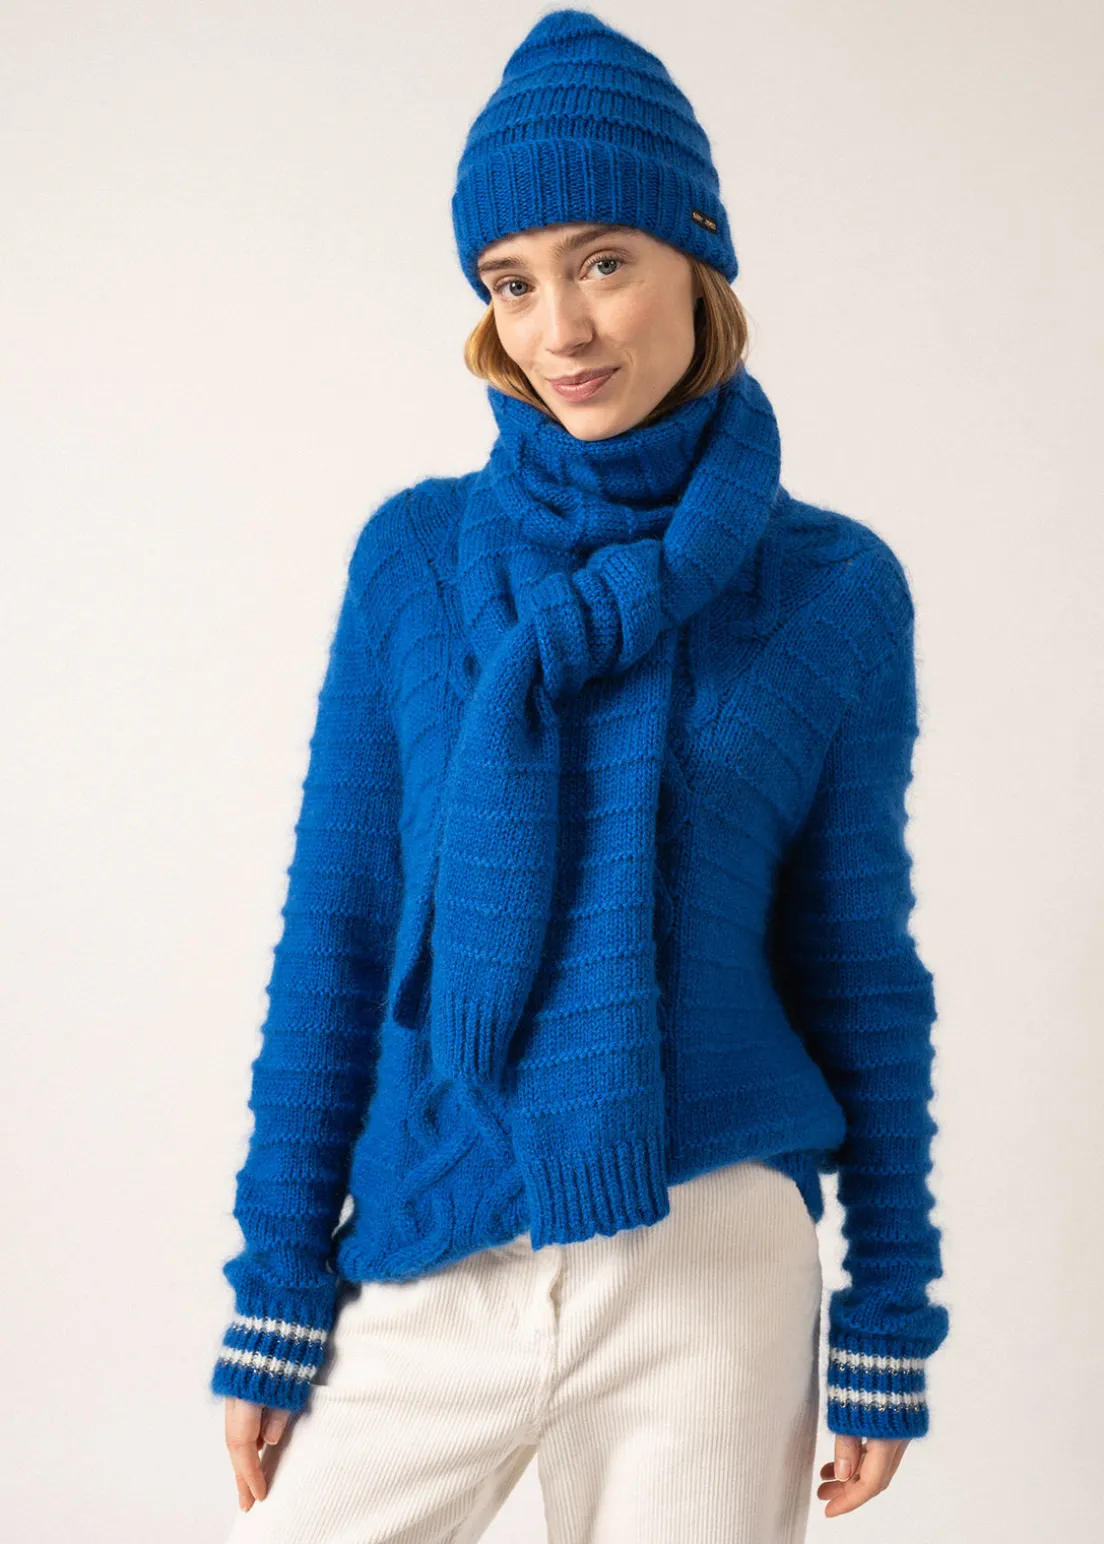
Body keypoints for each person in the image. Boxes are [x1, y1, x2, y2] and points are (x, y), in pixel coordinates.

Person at [209, 9, 950, 1540]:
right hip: (436, 1228)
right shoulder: (416, 562)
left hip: (707, 1264)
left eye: (602, 261)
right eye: (513, 281)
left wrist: (889, 1308)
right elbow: (338, 938)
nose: (561, 327)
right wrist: (278, 1284)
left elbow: (859, 965)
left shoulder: (832, 591)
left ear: (698, 257)